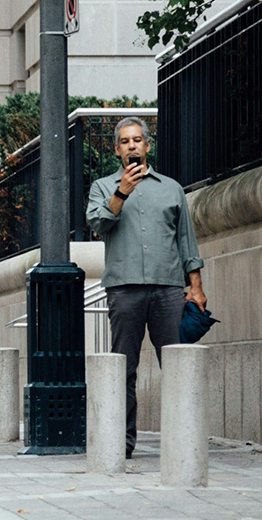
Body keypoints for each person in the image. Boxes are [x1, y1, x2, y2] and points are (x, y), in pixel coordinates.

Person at [85, 117, 205, 460]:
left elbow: (186, 241)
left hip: (168, 288)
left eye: (137, 140)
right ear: (117, 149)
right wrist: (122, 191)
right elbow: (98, 224)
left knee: (177, 364)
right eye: (125, 141)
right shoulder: (103, 187)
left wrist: (195, 286)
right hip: (124, 290)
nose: (132, 146)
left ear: (147, 146)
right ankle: (122, 442)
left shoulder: (171, 188)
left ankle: (185, 437)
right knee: (124, 366)